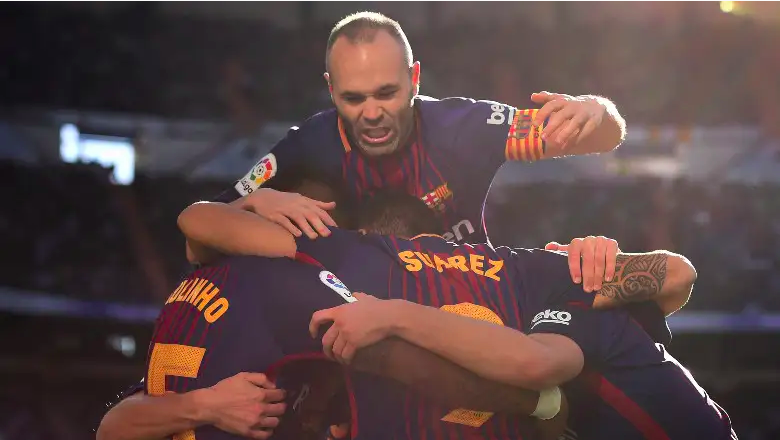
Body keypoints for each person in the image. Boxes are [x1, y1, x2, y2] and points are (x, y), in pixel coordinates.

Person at [179, 178, 733, 439]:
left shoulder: (352, 256)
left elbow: (198, 222)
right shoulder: (528, 266)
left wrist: (254, 201)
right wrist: (599, 257)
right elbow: (679, 275)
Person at [189, 11, 626, 292]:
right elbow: (198, 240)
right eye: (353, 99)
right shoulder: (308, 144)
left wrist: (595, 109)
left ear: (414, 79)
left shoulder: (466, 127)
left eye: (387, 93)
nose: (372, 114)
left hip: (473, 300)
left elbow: (602, 137)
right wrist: (253, 201)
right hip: (361, 319)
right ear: (330, 90)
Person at [98, 182, 571, 440]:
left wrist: (199, 406)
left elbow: (112, 427)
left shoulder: (217, 279)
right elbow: (401, 361)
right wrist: (539, 405)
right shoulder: (297, 281)